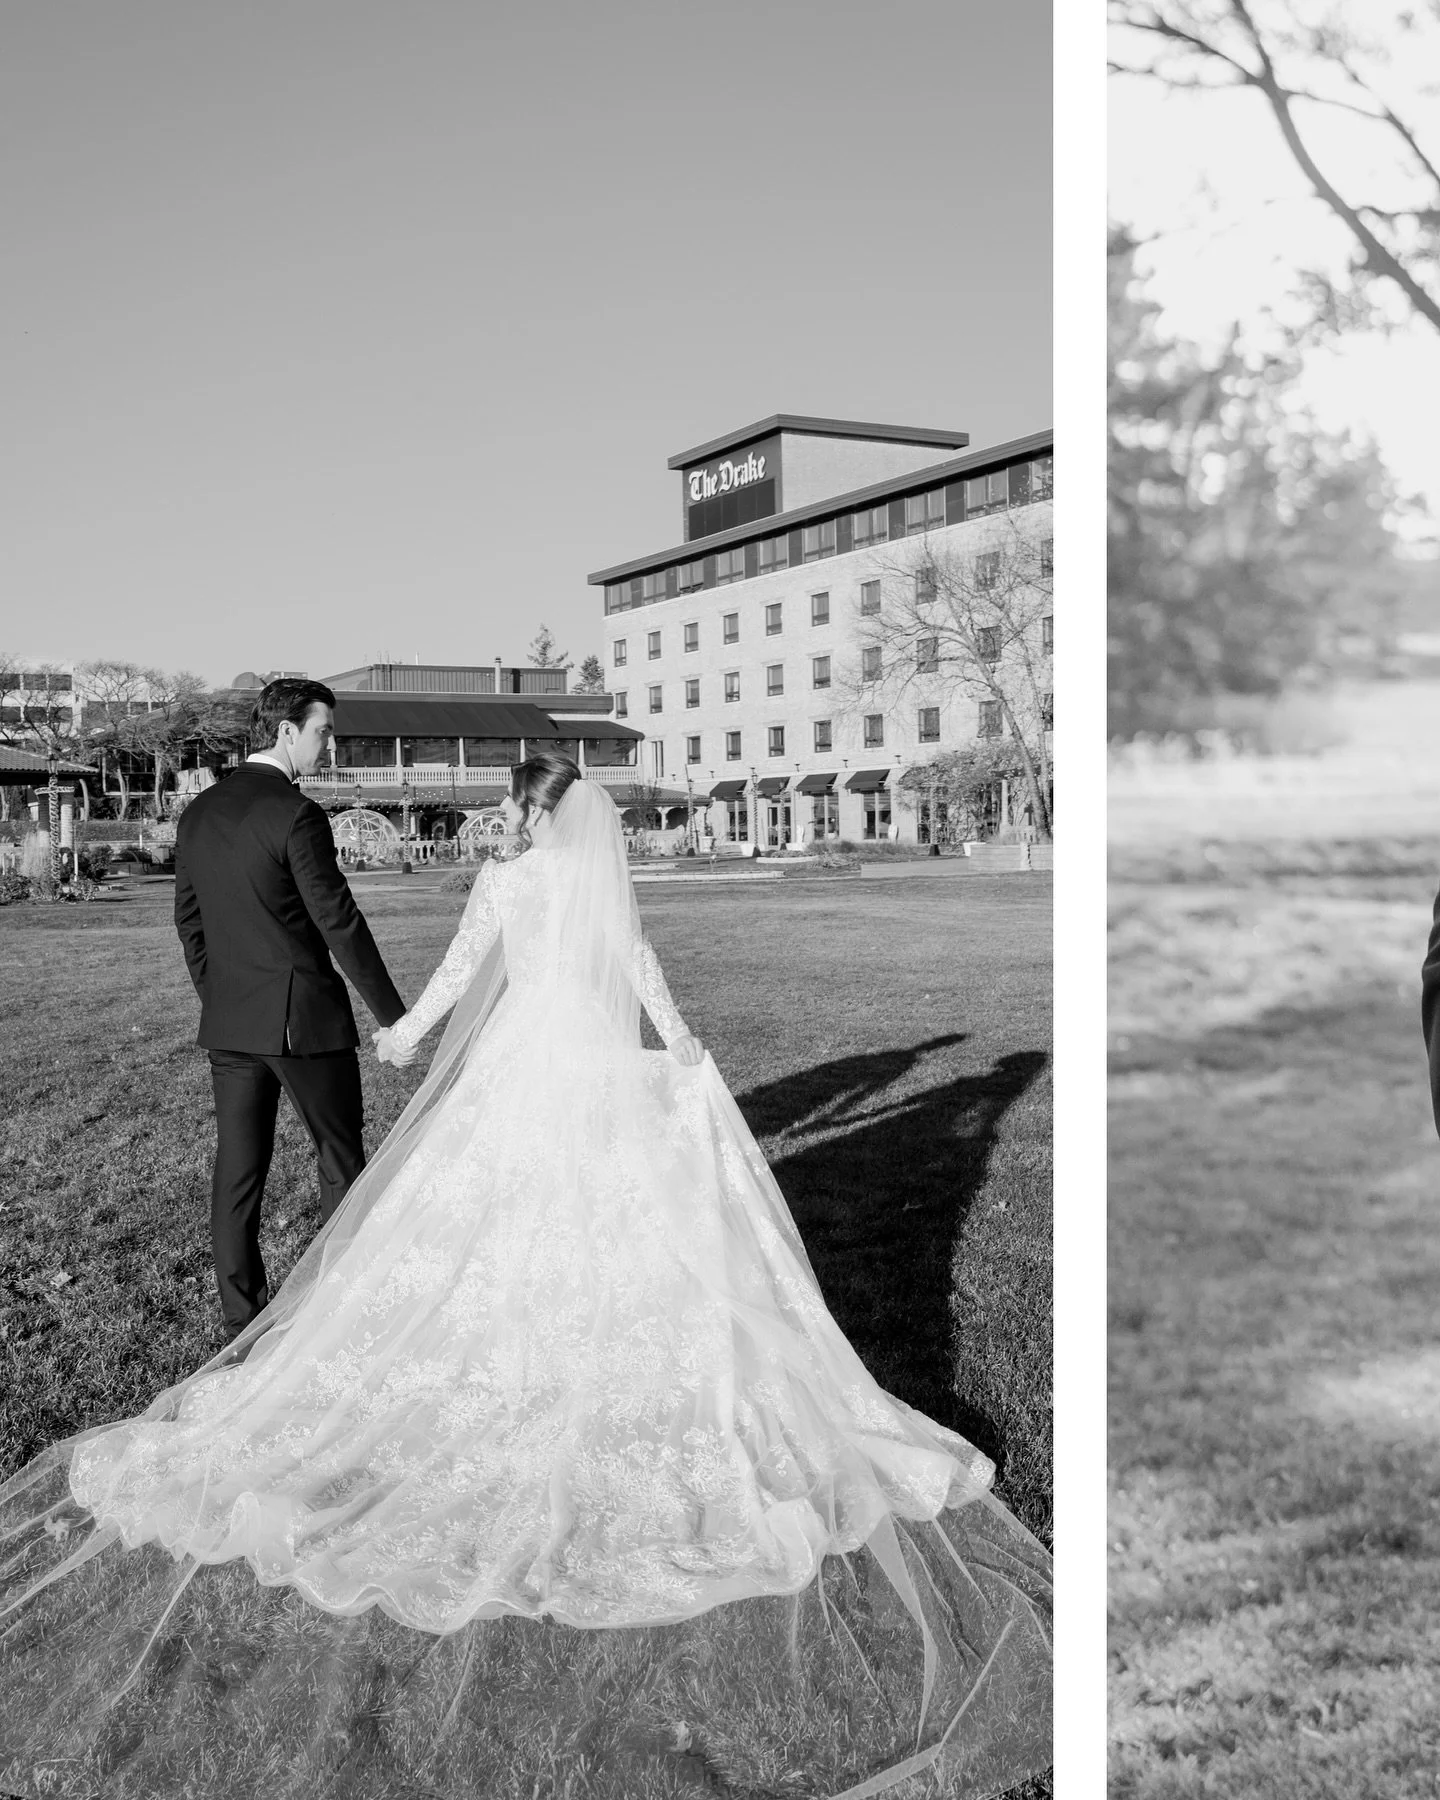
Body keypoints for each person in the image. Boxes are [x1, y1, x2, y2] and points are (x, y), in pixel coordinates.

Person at [0, 752, 1051, 1800]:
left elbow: (464, 971)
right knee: (612, 1220)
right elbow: (640, 970)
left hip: (517, 1065)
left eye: (511, 804)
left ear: (524, 812)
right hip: (591, 1059)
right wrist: (681, 1041)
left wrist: (406, 1034)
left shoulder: (507, 881)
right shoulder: (598, 882)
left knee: (479, 1222)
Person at [173, 676, 407, 1339]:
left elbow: (189, 924)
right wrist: (393, 1015)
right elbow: (339, 923)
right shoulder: (296, 814)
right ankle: (341, 1315)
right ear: (287, 731)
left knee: (238, 1172)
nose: (328, 745)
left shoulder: (198, 812)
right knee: (340, 1162)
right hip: (304, 1022)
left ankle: (241, 1322)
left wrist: (220, 999)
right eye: (323, 731)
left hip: (231, 1023)